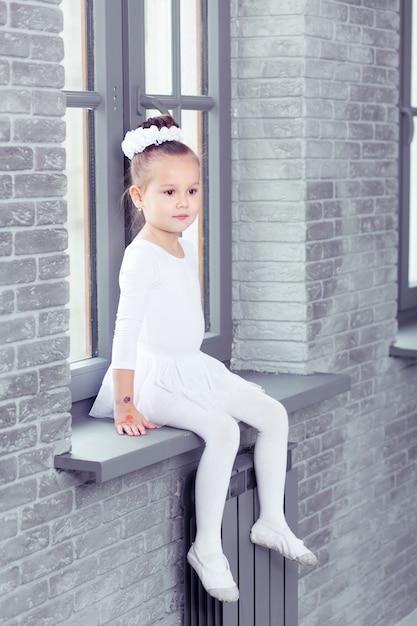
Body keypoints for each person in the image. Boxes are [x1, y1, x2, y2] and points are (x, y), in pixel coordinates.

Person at [90, 114, 317, 603]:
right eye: (168, 192)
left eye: (192, 191)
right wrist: (126, 403)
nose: (183, 203)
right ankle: (207, 548)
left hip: (192, 366)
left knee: (273, 415)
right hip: (154, 381)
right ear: (139, 197)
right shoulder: (142, 254)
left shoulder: (183, 246)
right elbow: (125, 333)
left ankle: (271, 521)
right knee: (223, 429)